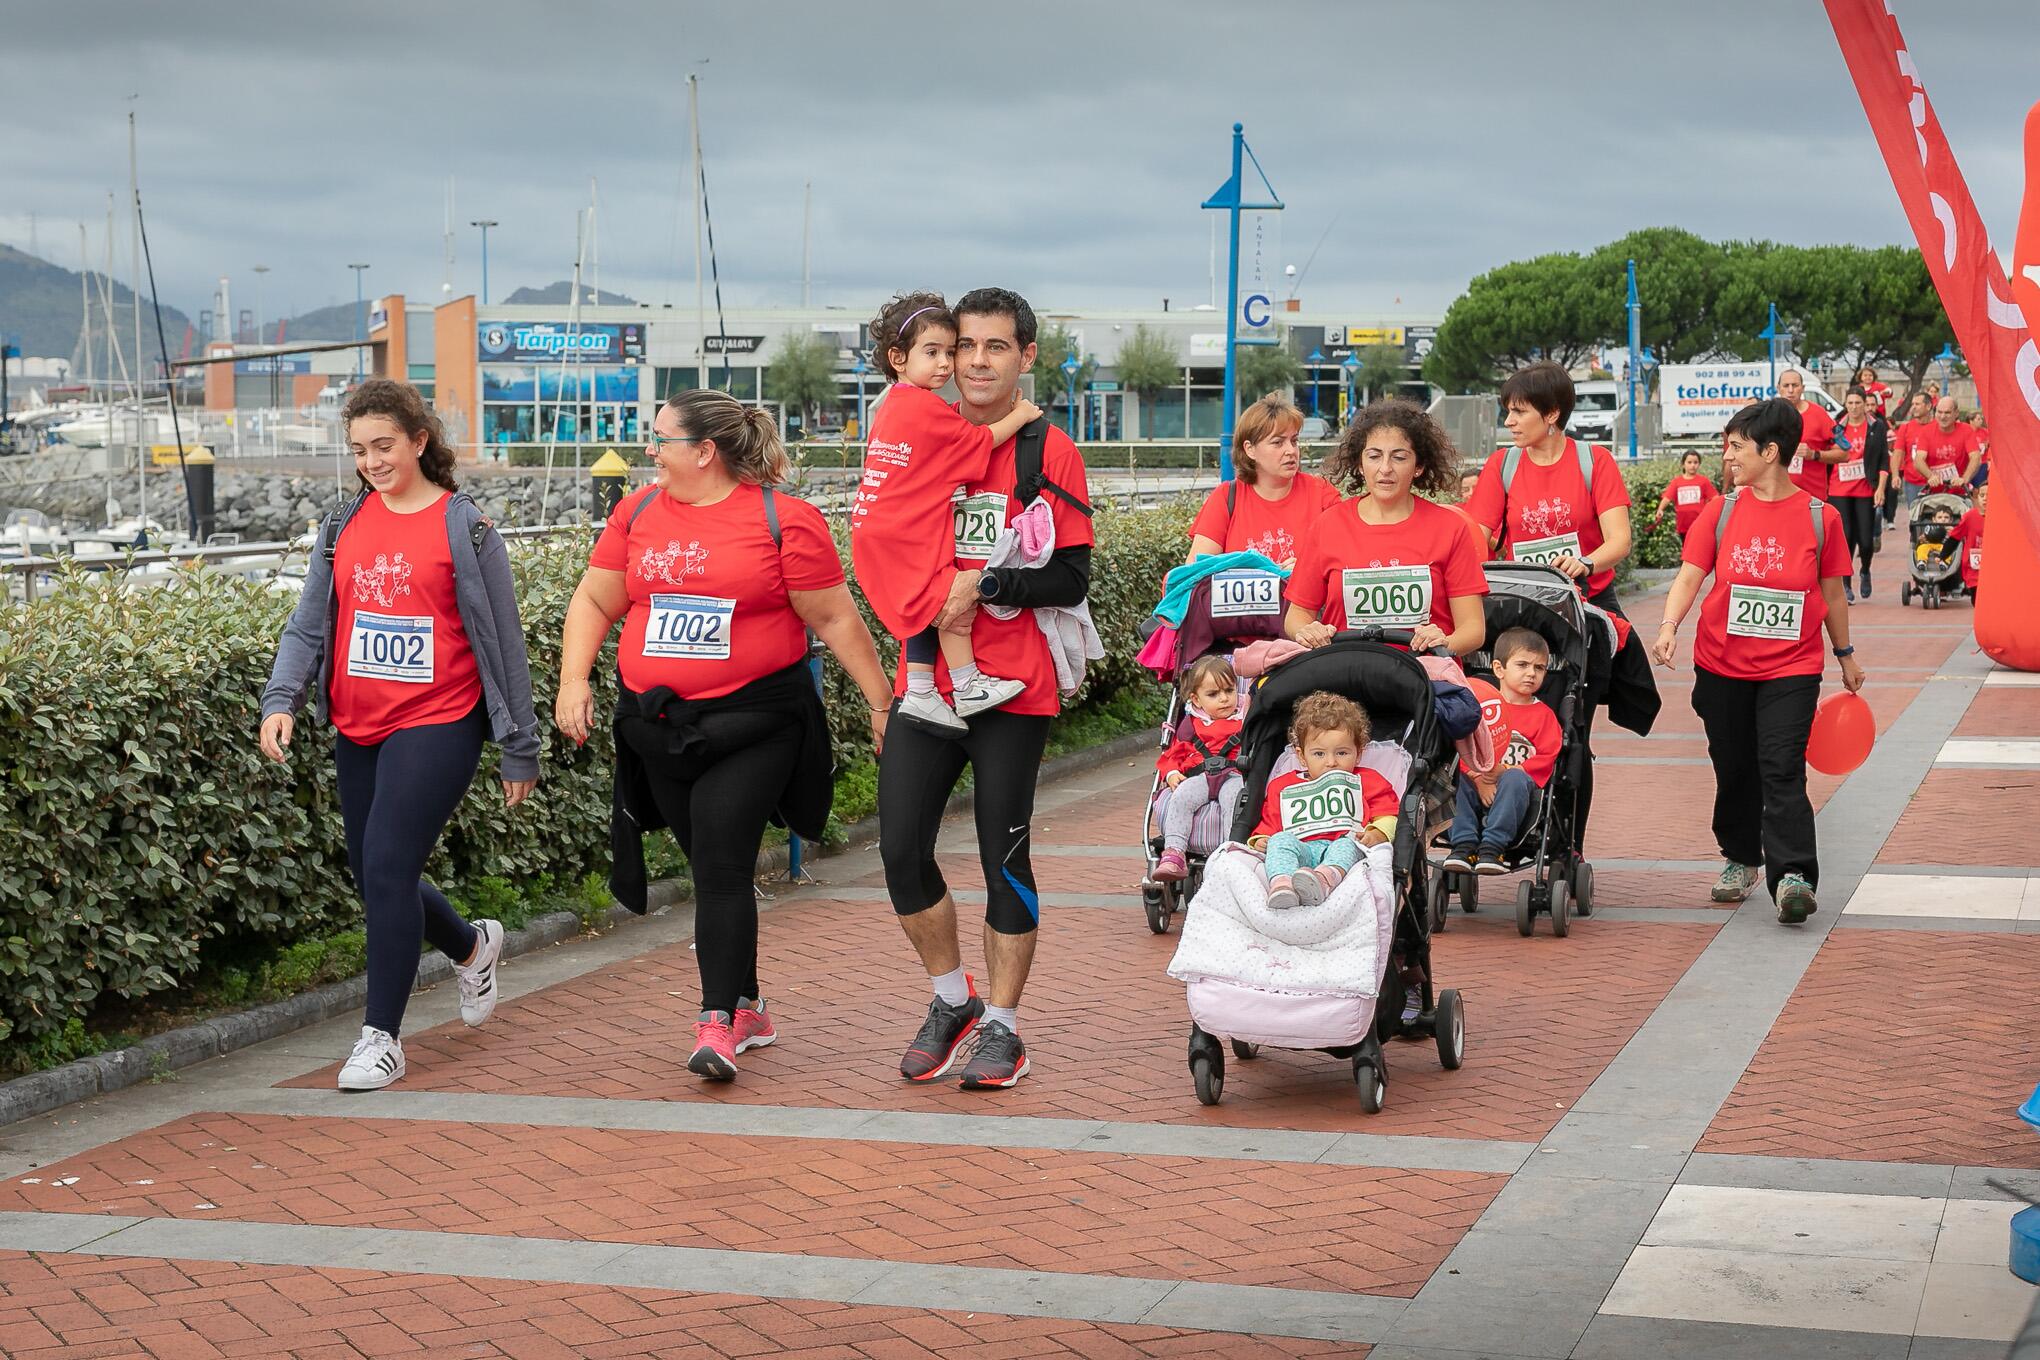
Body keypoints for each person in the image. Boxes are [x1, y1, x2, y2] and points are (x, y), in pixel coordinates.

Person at [556, 389, 894, 1082]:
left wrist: (881, 702)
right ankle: (749, 1003)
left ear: (704, 451)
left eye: (661, 440)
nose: (649, 451)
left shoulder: (783, 520)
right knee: (713, 867)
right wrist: (574, 680)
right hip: (660, 727)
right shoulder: (638, 511)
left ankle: (716, 1024)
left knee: (718, 859)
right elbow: (596, 597)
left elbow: (835, 619)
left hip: (758, 724)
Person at [259, 379, 541, 1093]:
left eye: (384, 446)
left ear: (419, 441)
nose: (372, 461)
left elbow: (504, 643)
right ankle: (472, 947)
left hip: (440, 718)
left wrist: (519, 746)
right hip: (358, 721)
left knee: (385, 867)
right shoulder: (343, 526)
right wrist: (281, 696)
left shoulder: (465, 526)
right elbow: (308, 625)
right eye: (359, 450)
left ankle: (380, 1038)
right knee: (377, 875)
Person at [877, 287, 1095, 1091]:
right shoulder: (916, 431)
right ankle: (950, 999)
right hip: (928, 683)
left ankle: (1003, 1026)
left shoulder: (1047, 450)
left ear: (1025, 357)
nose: (975, 361)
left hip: (1012, 687)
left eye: (996, 347)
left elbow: (1073, 576)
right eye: (964, 345)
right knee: (900, 848)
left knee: (1003, 856)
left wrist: (989, 583)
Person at [1649, 398, 1865, 923]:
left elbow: (1832, 594)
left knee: (1782, 767)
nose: (1728, 455)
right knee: (1736, 767)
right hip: (1721, 665)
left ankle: (1793, 876)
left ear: (1771, 452)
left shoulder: (1821, 517)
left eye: (1738, 446)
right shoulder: (1721, 511)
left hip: (1791, 668)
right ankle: (1741, 856)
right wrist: (1668, 626)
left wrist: (1845, 656)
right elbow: (1690, 576)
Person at [849, 291, 1042, 737]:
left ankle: (920, 688)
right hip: (903, 533)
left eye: (947, 352)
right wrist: (1022, 415)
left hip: (877, 529)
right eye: (932, 352)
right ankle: (967, 682)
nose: (945, 364)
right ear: (898, 357)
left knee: (927, 603)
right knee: (953, 600)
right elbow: (976, 442)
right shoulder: (922, 407)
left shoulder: (893, 405)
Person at [1285, 398, 1488, 656]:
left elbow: (1473, 629)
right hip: (1344, 677)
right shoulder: (1327, 526)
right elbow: (1296, 616)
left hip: (1425, 679)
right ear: (1360, 464)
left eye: (1399, 457)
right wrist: (1309, 631)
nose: (1385, 469)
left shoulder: (1451, 528)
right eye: (1374, 456)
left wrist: (1444, 643)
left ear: (1419, 467)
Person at [1464, 361, 1633, 613]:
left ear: (1552, 414)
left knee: (1629, 651)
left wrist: (1584, 564)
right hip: (1521, 604)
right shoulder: (1501, 465)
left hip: (1589, 601)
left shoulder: (1596, 461)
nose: (1509, 421)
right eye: (1508, 412)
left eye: (1519, 412)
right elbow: (1475, 537)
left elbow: (1619, 540)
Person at [1248, 692, 1398, 912]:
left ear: (1358, 754)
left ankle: (1324, 880)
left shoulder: (1368, 780)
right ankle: (1282, 884)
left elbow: (1389, 814)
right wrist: (1261, 839)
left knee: (1347, 844)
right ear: (1301, 756)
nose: (1331, 762)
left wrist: (1378, 833)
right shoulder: (1283, 786)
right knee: (1280, 840)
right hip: (1303, 850)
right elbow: (1271, 823)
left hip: (1343, 847)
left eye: (1342, 753)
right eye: (1319, 754)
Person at [1443, 628, 1563, 876]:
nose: (1531, 673)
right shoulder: (1481, 708)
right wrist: (1479, 779)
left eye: (1539, 668)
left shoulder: (1544, 716)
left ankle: (1492, 846)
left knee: (1515, 778)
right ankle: (1463, 844)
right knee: (1453, 778)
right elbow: (1462, 747)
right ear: (1499, 669)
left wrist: (1505, 771)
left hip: (1517, 795)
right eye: (1523, 665)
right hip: (1476, 787)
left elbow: (1547, 756)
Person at [1185, 395, 1341, 567]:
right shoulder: (1226, 497)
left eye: (1294, 441)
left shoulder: (1322, 494)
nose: (1291, 450)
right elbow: (1195, 574)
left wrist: (1306, 573)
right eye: (1278, 442)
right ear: (1250, 450)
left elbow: (1344, 563)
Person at [1152, 655, 1246, 883]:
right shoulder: (1192, 723)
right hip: (1200, 774)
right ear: (1196, 699)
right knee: (1181, 796)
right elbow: (1174, 753)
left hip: (1234, 774)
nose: (1224, 699)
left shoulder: (1246, 717)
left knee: (1235, 800)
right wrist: (1172, 772)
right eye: (1213, 694)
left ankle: (1229, 852)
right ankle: (1174, 853)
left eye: (1229, 690)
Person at [1830, 386, 1889, 601]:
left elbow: (1884, 458)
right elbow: (1828, 453)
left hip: (1865, 488)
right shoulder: (1836, 427)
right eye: (1850, 403)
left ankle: (1865, 569)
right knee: (1845, 538)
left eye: (1858, 403)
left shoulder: (1876, 426)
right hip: (1838, 488)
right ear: (1845, 404)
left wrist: (1880, 488)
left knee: (1865, 541)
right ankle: (1845, 583)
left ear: (1865, 404)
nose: (1854, 408)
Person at [1776, 369, 1842, 501]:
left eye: (1795, 385)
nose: (1790, 390)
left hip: (1812, 498)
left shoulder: (1820, 415)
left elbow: (1844, 452)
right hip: (1778, 497)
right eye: (1786, 386)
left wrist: (1814, 454)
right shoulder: (1770, 415)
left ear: (1803, 388)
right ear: (1778, 388)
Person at [1911, 396, 1985, 492]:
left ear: (1956, 414)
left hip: (1959, 490)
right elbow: (1919, 460)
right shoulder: (1926, 431)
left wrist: (1964, 479)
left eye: (1947, 413)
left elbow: (1975, 457)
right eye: (1939, 412)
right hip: (1933, 491)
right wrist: (1931, 476)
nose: (1942, 417)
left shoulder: (1966, 430)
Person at [1651, 449, 1722, 541]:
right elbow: (1667, 498)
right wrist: (1660, 509)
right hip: (1683, 525)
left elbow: (1715, 497)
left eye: (1695, 462)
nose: (1693, 465)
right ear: (1683, 464)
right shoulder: (1676, 482)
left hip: (1700, 524)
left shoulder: (1703, 481)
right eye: (1689, 462)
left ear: (1699, 464)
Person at [1890, 391, 1933, 519]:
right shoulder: (1906, 428)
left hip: (1935, 482)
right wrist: (1896, 475)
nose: (1913, 407)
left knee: (1936, 519)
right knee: (1916, 520)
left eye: (1917, 404)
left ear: (1928, 406)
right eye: (1912, 404)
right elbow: (1897, 454)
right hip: (1913, 482)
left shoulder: (1938, 427)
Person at [1948, 483, 1989, 598]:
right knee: (1976, 598)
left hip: (1993, 567)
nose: (1985, 498)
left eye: (1989, 495)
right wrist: (1942, 555)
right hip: (1973, 567)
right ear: (1977, 497)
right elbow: (1955, 537)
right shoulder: (1970, 516)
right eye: (1982, 495)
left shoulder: (2001, 517)